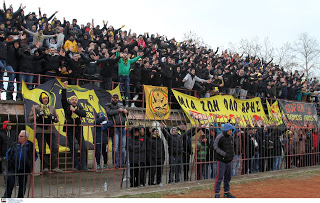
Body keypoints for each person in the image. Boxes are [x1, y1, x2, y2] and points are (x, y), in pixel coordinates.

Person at [28, 92, 61, 173]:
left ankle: (54, 166)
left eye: (46, 98)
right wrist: (38, 115)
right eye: (44, 98)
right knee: (42, 149)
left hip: (50, 130)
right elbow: (30, 118)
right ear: (41, 99)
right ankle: (44, 167)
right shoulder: (36, 107)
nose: (45, 100)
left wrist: (53, 118)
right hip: (40, 131)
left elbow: (57, 120)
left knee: (54, 148)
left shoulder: (52, 108)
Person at [61, 81, 88, 171]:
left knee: (83, 147)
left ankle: (83, 166)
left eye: (75, 100)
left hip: (78, 128)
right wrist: (64, 88)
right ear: (70, 101)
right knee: (72, 148)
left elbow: (84, 114)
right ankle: (76, 165)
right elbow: (63, 100)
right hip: (70, 128)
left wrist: (75, 110)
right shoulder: (67, 107)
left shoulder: (79, 107)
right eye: (73, 99)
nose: (74, 101)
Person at [3, 130, 38, 198]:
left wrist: (30, 162)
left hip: (24, 168)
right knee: (10, 181)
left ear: (26, 138)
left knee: (22, 185)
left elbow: (35, 155)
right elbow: (8, 153)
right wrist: (8, 160)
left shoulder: (30, 145)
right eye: (19, 136)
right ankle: (7, 196)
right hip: (13, 167)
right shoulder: (14, 144)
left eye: (21, 136)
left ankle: (20, 198)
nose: (19, 137)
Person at [105, 92, 128, 168]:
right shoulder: (108, 105)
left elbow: (126, 115)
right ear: (112, 98)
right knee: (115, 147)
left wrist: (126, 112)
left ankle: (122, 163)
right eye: (114, 97)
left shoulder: (121, 105)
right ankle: (116, 163)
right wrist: (118, 110)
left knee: (123, 147)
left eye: (116, 98)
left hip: (122, 126)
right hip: (115, 127)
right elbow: (109, 112)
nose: (115, 99)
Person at [213, 123, 235, 198]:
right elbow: (215, 147)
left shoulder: (230, 138)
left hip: (229, 160)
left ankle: (226, 191)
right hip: (221, 160)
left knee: (228, 177)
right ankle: (216, 193)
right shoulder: (220, 137)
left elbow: (231, 147)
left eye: (232, 130)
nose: (231, 131)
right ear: (226, 130)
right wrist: (224, 154)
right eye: (230, 130)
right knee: (219, 177)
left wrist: (232, 154)